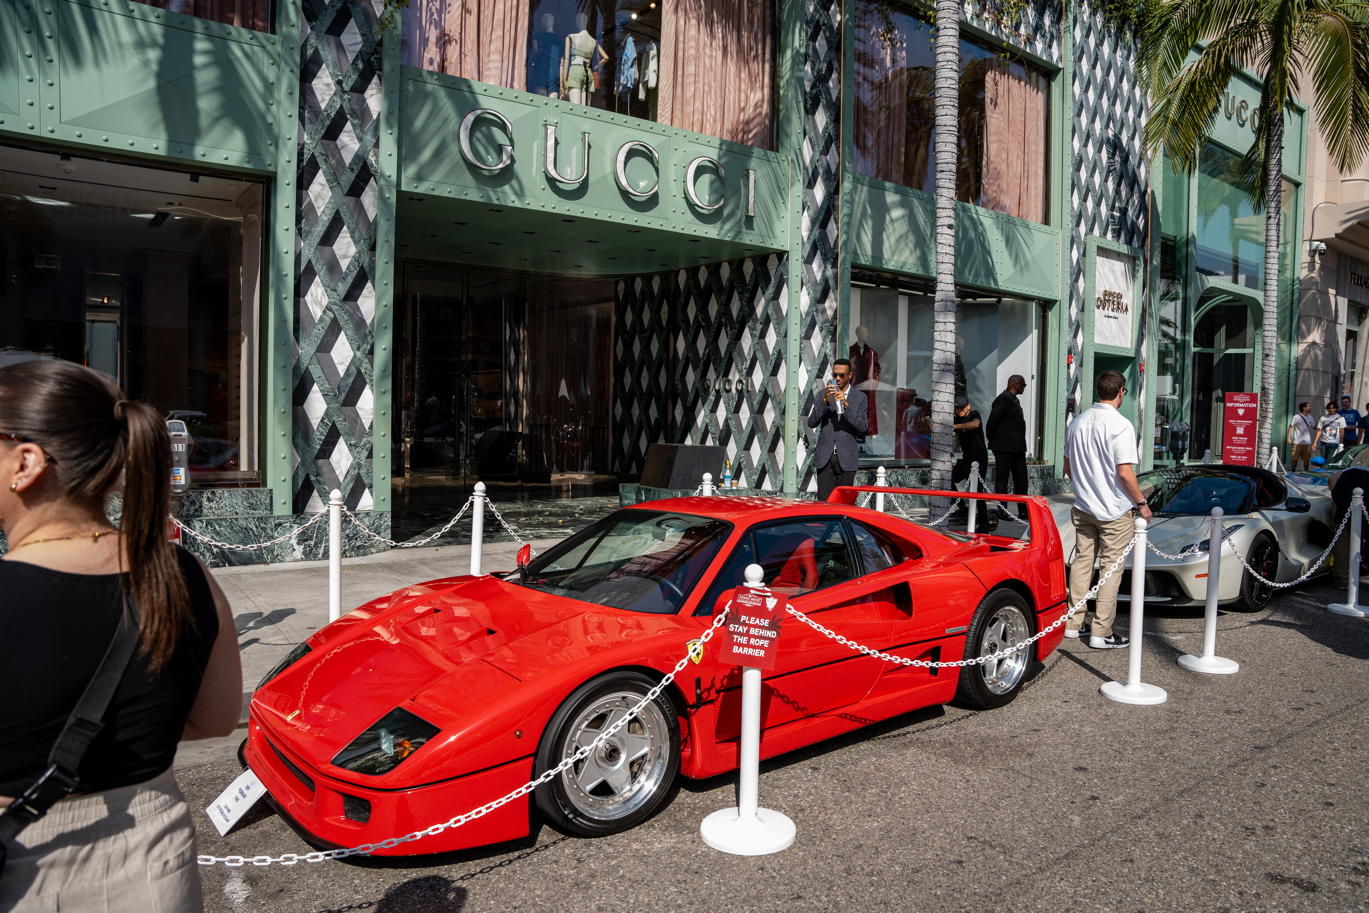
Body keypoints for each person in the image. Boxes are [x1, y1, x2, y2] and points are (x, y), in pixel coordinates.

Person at [0, 360, 242, 912]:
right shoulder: (185, 574)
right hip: (155, 864)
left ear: (27, 460)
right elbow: (216, 718)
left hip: (22, 865)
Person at [1063, 369, 1152, 649]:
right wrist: (1142, 503)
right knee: (1111, 570)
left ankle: (1072, 625)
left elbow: (1068, 467)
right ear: (1121, 392)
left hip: (1084, 506)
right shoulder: (1121, 424)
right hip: (1114, 509)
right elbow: (1125, 473)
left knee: (1081, 565)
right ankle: (1101, 632)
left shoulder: (1077, 422)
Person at [808, 357, 868, 500]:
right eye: (835, 375)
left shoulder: (860, 397)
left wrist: (846, 406)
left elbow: (863, 427)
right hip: (825, 458)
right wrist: (825, 402)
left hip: (847, 458)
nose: (838, 378)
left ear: (850, 375)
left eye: (842, 375)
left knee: (844, 504)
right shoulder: (823, 394)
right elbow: (811, 422)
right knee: (825, 504)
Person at [986, 374, 1029, 519]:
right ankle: (1002, 510)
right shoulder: (1003, 400)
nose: (1024, 387)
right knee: (1002, 481)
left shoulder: (1014, 400)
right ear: (1015, 384)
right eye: (1023, 385)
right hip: (1004, 449)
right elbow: (992, 423)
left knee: (1021, 481)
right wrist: (994, 442)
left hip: (1017, 448)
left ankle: (1023, 510)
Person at [1329, 464, 1369, 587]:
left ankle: (1343, 580)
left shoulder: (1345, 472)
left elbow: (1333, 486)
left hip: (1345, 507)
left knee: (1342, 543)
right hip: (1358, 505)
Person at [951, 396, 988, 490]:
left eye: (961, 408)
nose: (959, 410)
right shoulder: (956, 418)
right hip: (966, 459)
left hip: (979, 459)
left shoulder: (974, 414)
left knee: (977, 490)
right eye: (957, 408)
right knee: (948, 479)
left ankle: (980, 505)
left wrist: (956, 426)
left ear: (968, 406)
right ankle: (961, 505)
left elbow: (975, 424)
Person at [1287, 402, 1316, 471]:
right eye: (1308, 406)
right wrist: (1288, 437)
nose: (1310, 408)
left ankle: (1306, 472)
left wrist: (1321, 425)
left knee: (1306, 459)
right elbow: (1291, 427)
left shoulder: (1310, 417)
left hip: (1307, 442)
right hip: (1297, 442)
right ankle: (1293, 472)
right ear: (1304, 408)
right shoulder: (1296, 417)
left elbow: (1314, 427)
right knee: (1294, 458)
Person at [1315, 400, 1346, 465]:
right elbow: (1319, 430)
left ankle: (1326, 472)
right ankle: (1322, 472)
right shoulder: (1323, 418)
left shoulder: (1341, 418)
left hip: (1334, 443)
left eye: (1332, 408)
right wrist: (1315, 442)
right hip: (1323, 441)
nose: (1330, 409)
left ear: (1336, 409)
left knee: (1329, 459)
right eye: (1329, 408)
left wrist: (1341, 442)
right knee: (1322, 460)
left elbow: (1342, 431)